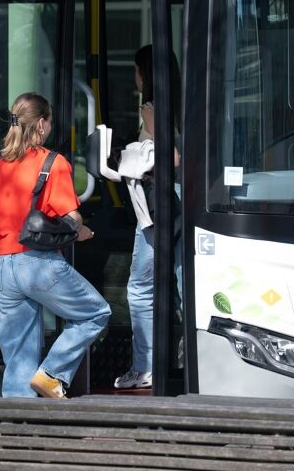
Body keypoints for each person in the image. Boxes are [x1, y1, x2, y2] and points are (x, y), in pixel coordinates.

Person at [0, 92, 110, 399]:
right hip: (37, 264)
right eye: (49, 121)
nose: (50, 127)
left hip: (2, 269)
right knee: (95, 313)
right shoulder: (54, 163)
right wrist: (82, 230)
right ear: (40, 125)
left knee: (18, 359)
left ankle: (15, 422)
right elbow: (70, 218)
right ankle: (52, 373)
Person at [114, 45, 180, 391]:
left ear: (147, 74)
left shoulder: (151, 108)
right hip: (181, 205)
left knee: (139, 289)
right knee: (178, 284)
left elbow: (172, 157)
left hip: (156, 210)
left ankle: (145, 367)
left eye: (137, 70)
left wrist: (139, 164)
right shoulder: (183, 104)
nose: (134, 78)